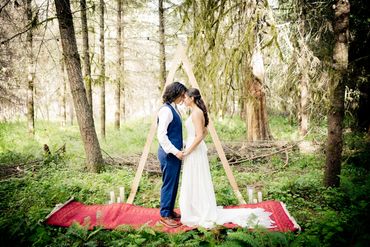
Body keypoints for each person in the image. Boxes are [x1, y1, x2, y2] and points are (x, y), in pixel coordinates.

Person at [179, 88, 274, 229]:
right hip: (195, 148)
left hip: (193, 150)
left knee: (196, 178)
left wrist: (188, 150)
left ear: (192, 98)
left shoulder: (196, 113)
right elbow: (204, 132)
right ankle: (195, 208)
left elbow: (200, 135)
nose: (184, 100)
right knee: (195, 178)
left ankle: (198, 211)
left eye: (186, 97)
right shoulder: (197, 112)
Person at [157, 81, 187, 228]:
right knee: (169, 183)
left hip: (175, 154)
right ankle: (164, 215)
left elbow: (174, 133)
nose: (183, 98)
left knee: (174, 183)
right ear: (175, 93)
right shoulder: (166, 111)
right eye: (181, 95)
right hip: (169, 154)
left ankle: (169, 211)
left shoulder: (174, 109)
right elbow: (161, 136)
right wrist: (176, 152)